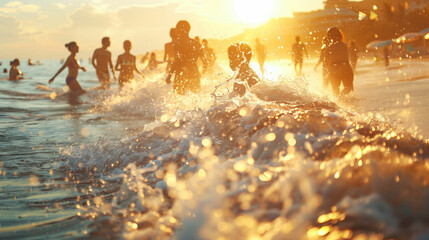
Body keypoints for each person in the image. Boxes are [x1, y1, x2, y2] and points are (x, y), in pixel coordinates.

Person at [166, 20, 205, 94]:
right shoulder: (197, 44)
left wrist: (169, 75)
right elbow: (205, 61)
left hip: (180, 75)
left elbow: (176, 61)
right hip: (194, 74)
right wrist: (202, 71)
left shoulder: (177, 44)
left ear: (181, 30)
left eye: (177, 29)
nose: (176, 31)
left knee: (179, 100)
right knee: (196, 98)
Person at [325, 27, 354, 96]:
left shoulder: (329, 47)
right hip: (345, 67)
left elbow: (326, 62)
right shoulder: (344, 45)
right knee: (348, 87)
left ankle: (338, 103)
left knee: (335, 90)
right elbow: (347, 59)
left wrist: (326, 75)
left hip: (333, 68)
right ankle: (342, 96)